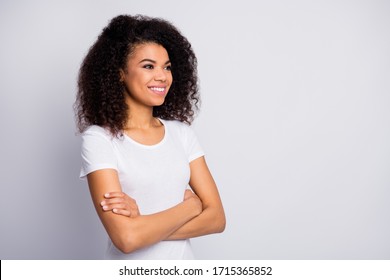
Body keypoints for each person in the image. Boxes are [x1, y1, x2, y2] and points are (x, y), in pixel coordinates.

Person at [75, 14, 225, 259]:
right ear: (120, 72)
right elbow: (126, 239)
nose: (162, 76)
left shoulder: (182, 134)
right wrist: (192, 206)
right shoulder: (99, 139)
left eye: (167, 67)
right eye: (148, 66)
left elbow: (217, 218)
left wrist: (141, 224)